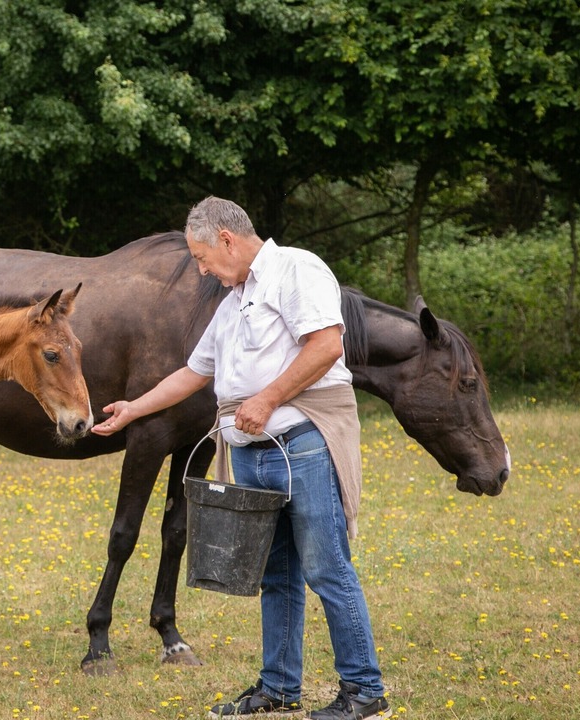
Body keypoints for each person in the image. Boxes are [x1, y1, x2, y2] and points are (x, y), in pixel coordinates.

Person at [92, 196, 390, 720]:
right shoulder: (233, 301)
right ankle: (278, 688)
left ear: (227, 240)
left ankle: (364, 690)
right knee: (275, 576)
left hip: (302, 445)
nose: (202, 270)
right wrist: (132, 409)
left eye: (203, 258)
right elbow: (193, 372)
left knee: (326, 569)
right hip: (254, 455)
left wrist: (268, 398)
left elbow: (326, 345)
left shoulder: (297, 269)